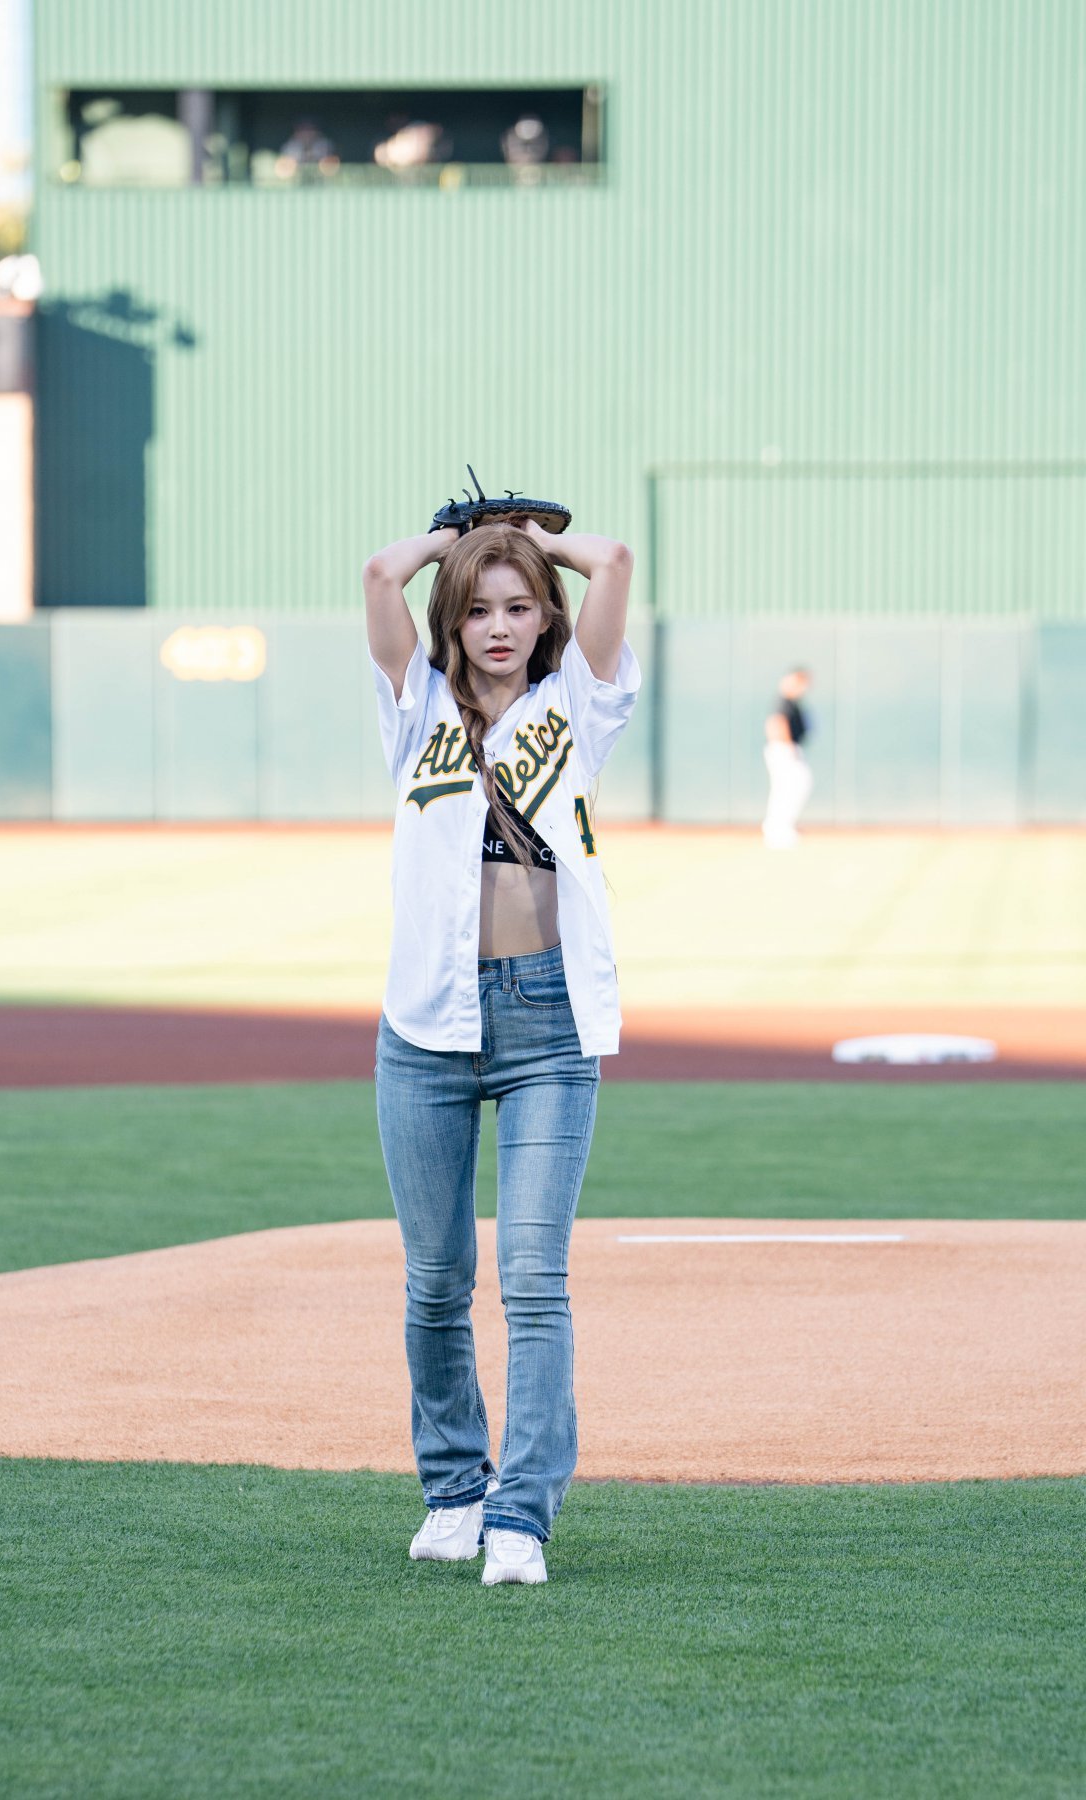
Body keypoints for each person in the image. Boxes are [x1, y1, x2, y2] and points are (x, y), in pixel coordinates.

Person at [362, 513, 640, 1586]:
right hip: (426, 1023)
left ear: (545, 619)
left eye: (519, 607)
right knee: (436, 1282)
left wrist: (529, 537)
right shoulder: (415, 709)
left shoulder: (576, 705)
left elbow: (614, 562)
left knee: (533, 1279)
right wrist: (447, 544)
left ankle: (520, 1513)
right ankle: (454, 1493)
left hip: (547, 1022)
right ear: (452, 618)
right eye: (479, 609)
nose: (498, 626)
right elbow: (379, 575)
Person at [761, 666, 814, 848]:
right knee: (786, 789)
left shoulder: (791, 702)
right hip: (783, 749)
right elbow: (775, 724)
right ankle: (776, 829)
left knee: (796, 786)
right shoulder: (782, 701)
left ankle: (782, 827)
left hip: (787, 749)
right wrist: (787, 748)